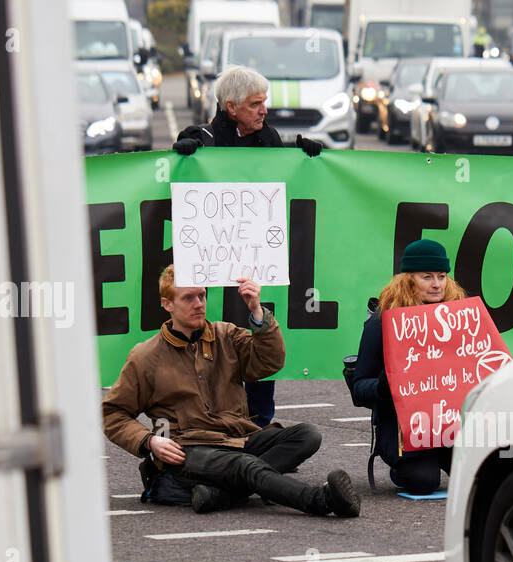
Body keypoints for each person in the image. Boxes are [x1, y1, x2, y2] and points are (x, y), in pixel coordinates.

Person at [103, 264, 361, 518]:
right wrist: (150, 441)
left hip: (236, 438)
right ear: (167, 304)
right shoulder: (146, 356)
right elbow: (113, 413)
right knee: (246, 466)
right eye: (188, 298)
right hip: (189, 448)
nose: (199, 304)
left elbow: (268, 363)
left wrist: (257, 313)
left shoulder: (225, 334)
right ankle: (321, 500)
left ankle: (221, 495)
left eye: (202, 295)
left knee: (307, 435)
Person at [173, 66, 325, 429]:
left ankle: (259, 421)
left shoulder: (269, 139)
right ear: (231, 106)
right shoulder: (203, 139)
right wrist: (182, 157)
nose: (264, 110)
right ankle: (212, 422)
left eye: (264, 103)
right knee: (211, 346)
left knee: (258, 339)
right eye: (256, 104)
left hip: (255, 267)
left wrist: (301, 158)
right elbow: (176, 176)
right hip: (212, 269)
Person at [351, 240, 463, 495]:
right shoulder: (381, 322)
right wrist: (385, 383)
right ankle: (400, 466)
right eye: (427, 277)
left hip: (450, 424)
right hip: (404, 429)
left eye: (442, 276)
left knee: (489, 472)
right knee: (423, 481)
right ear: (408, 280)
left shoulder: (459, 318)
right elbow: (359, 388)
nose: (437, 284)